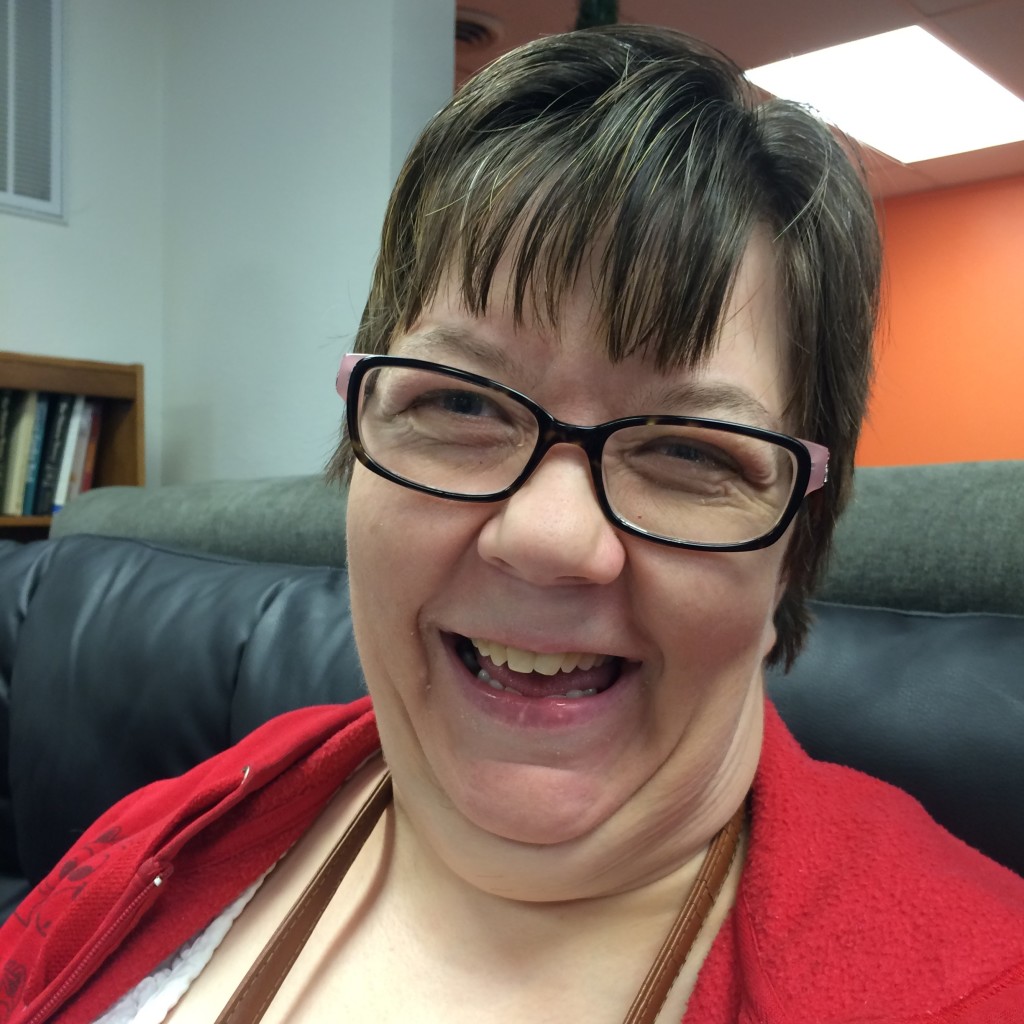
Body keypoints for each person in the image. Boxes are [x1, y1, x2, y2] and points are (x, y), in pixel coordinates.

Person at [3, 24, 1024, 1024]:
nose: (547, 538)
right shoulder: (177, 822)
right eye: (461, 405)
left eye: (688, 451)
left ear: (793, 545)